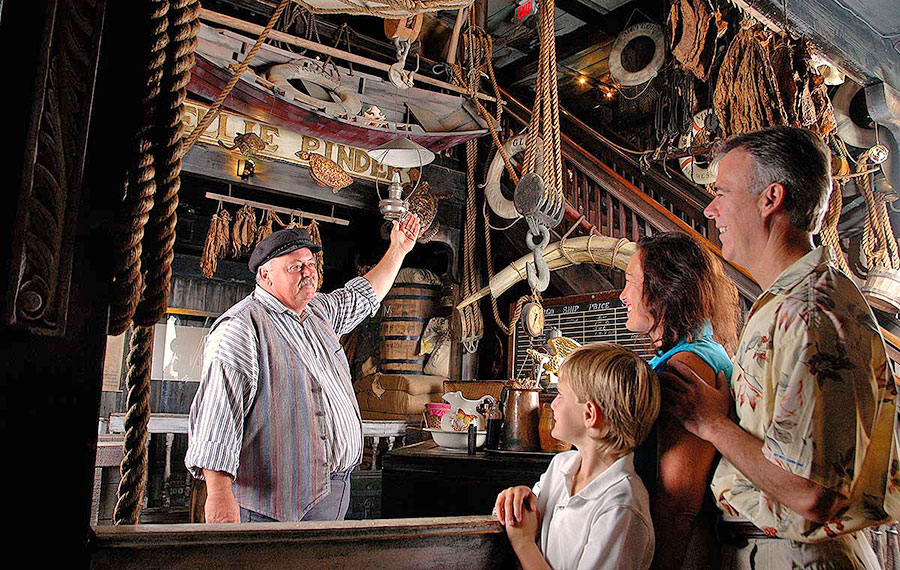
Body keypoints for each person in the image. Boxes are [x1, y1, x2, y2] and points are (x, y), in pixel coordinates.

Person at [663, 126, 899, 568]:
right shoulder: (786, 303)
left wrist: (713, 424)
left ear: (770, 199)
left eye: (723, 191)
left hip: (797, 556)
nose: (711, 209)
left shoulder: (809, 313)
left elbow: (810, 491)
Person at [185, 214, 421, 523]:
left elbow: (364, 295)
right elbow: (219, 413)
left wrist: (398, 250)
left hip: (334, 492)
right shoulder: (241, 327)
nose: (307, 272)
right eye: (295, 266)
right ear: (265, 276)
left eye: (310, 264)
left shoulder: (318, 312)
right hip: (273, 504)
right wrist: (218, 494)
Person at [619, 231, 739, 570]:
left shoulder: (687, 366)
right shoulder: (698, 352)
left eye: (632, 282)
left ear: (665, 291)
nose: (623, 295)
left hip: (682, 553)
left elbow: (679, 500)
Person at [493, 343, 661, 570]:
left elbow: (523, 538)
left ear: (590, 415)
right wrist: (515, 501)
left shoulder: (621, 507)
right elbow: (521, 522)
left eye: (561, 395)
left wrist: (524, 545)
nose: (552, 404)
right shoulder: (561, 466)